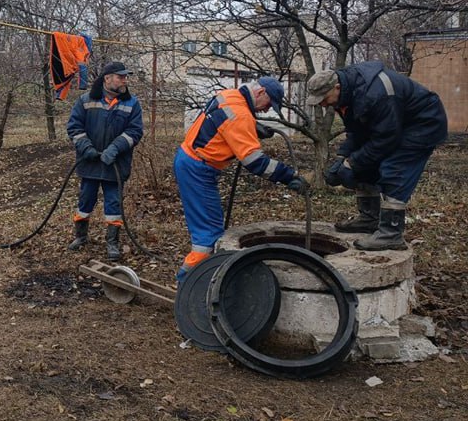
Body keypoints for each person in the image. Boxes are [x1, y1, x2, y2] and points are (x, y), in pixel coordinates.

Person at [173, 77, 309, 282]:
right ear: (260, 92)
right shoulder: (240, 116)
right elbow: (255, 162)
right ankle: (188, 283)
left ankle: (197, 278)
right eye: (268, 104)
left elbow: (224, 122)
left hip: (190, 160)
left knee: (210, 226)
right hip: (197, 169)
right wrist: (288, 176)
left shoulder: (230, 95)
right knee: (209, 234)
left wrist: (254, 126)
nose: (266, 110)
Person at [306, 60, 448, 251]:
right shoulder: (347, 95)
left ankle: (391, 234)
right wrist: (342, 157)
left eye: (324, 98)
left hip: (423, 123)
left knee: (394, 169)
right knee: (365, 164)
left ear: (337, 87)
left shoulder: (376, 94)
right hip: (393, 124)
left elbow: (386, 139)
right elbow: (357, 132)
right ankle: (370, 219)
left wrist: (352, 163)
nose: (323, 104)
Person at [66, 61, 144, 261]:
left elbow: (135, 132)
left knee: (113, 204)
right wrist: (87, 148)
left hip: (115, 165)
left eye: (125, 76)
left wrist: (115, 148)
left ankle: (112, 243)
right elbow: (74, 128)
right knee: (85, 201)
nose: (124, 80)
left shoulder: (131, 104)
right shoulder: (85, 101)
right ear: (107, 78)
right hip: (89, 163)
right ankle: (80, 237)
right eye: (121, 76)